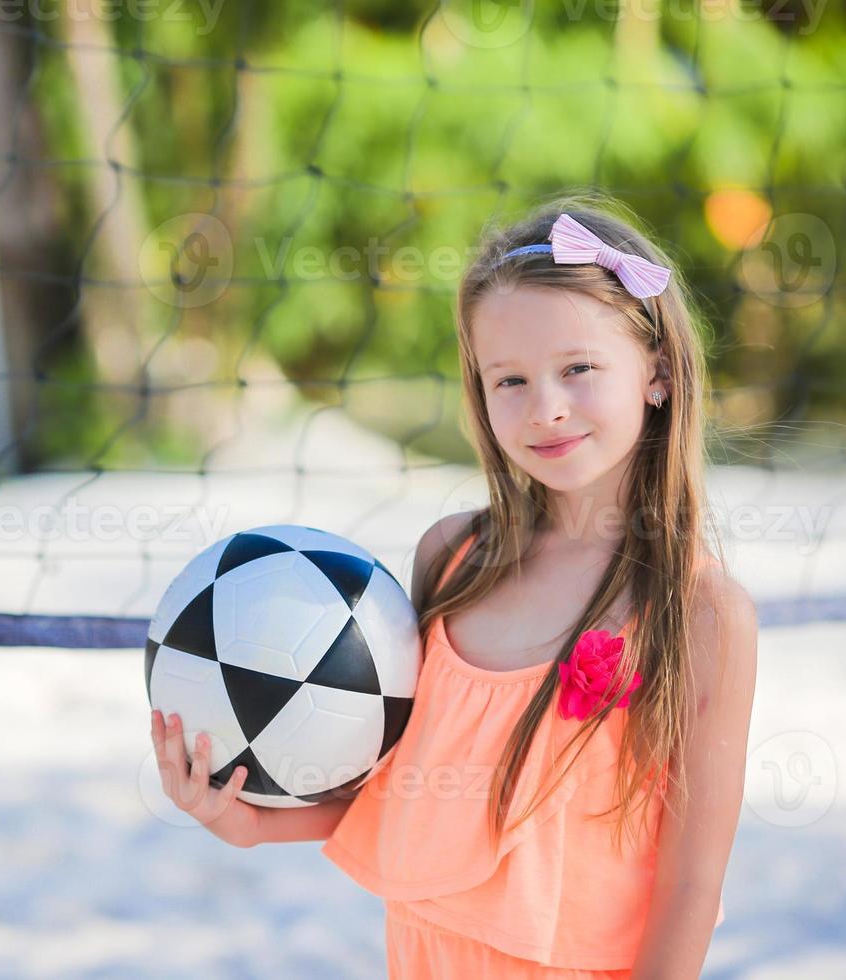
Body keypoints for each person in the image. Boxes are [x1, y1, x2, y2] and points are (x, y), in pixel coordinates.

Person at [148, 193, 758, 978]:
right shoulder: (454, 559)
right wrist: (248, 822)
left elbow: (692, 883)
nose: (546, 408)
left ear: (658, 372)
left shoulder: (702, 612)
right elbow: (406, 791)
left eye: (578, 368)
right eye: (510, 380)